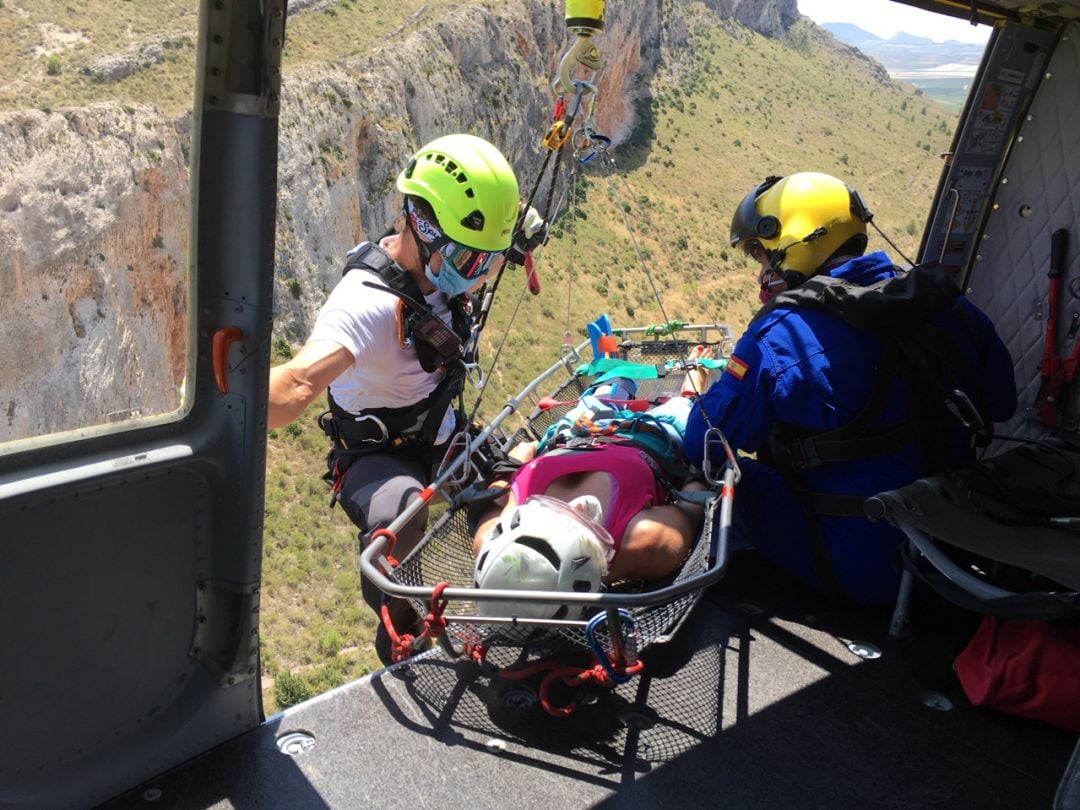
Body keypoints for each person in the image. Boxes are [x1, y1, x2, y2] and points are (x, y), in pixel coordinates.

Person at [684, 172, 1018, 605]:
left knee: (709, 483)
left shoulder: (780, 335)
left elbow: (704, 444)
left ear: (795, 241)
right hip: (951, 550)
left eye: (762, 255)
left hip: (859, 564)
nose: (762, 272)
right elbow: (1002, 403)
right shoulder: (949, 305)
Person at [267, 133, 523, 661]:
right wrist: (226, 391)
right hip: (377, 455)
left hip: (441, 435)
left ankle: (512, 599)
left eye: (487, 263)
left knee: (515, 501)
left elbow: (490, 239)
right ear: (424, 227)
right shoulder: (365, 305)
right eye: (470, 263)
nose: (475, 279)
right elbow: (294, 387)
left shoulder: (441, 261)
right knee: (402, 520)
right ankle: (404, 636)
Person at [470, 347, 715, 617]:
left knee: (610, 396)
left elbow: (691, 494)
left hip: (591, 434)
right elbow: (690, 501)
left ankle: (617, 374)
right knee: (680, 406)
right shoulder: (644, 543)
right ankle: (687, 385)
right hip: (638, 434)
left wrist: (511, 468)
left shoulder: (489, 542)